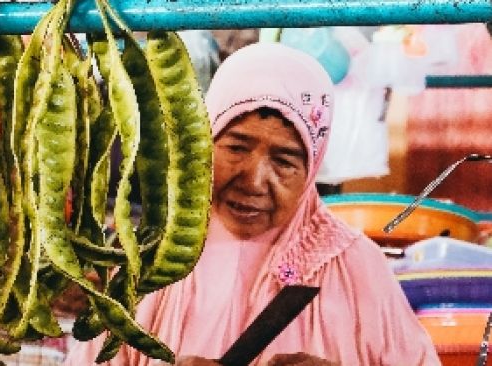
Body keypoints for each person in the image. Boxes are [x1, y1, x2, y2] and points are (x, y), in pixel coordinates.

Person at [64, 42, 440, 365]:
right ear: (205, 142)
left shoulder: (357, 269)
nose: (255, 180)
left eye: (284, 160)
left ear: (312, 167)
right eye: (237, 147)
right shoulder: (148, 261)